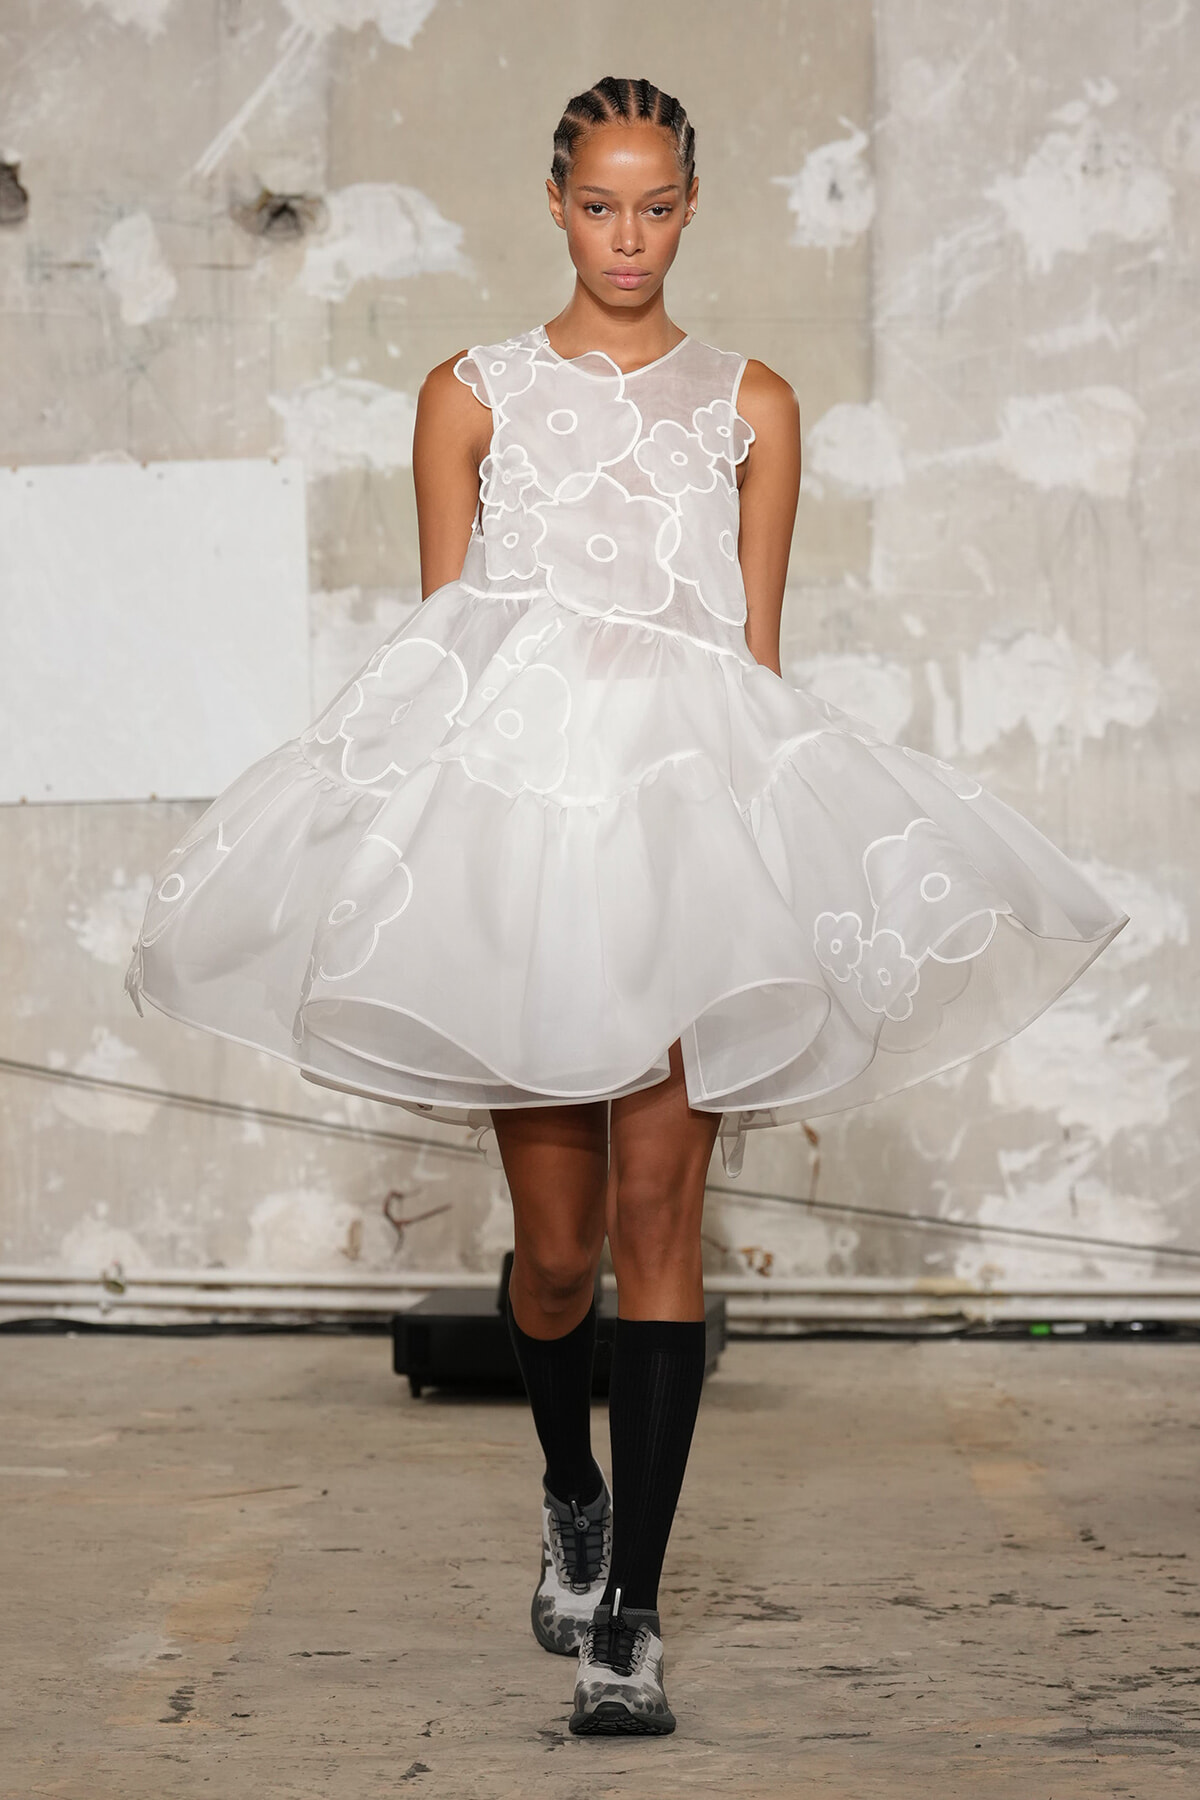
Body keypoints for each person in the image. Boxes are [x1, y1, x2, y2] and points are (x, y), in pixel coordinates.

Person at [125, 76, 1129, 1738]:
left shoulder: (752, 402)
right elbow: (445, 641)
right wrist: (362, 837)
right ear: (554, 202)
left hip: (684, 839)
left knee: (664, 1233)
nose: (629, 236)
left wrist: (781, 855)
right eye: (602, 204)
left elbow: (754, 661)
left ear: (688, 209)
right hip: (523, 849)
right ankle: (566, 1488)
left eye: (657, 206)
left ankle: (634, 1621)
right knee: (555, 1264)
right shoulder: (470, 394)